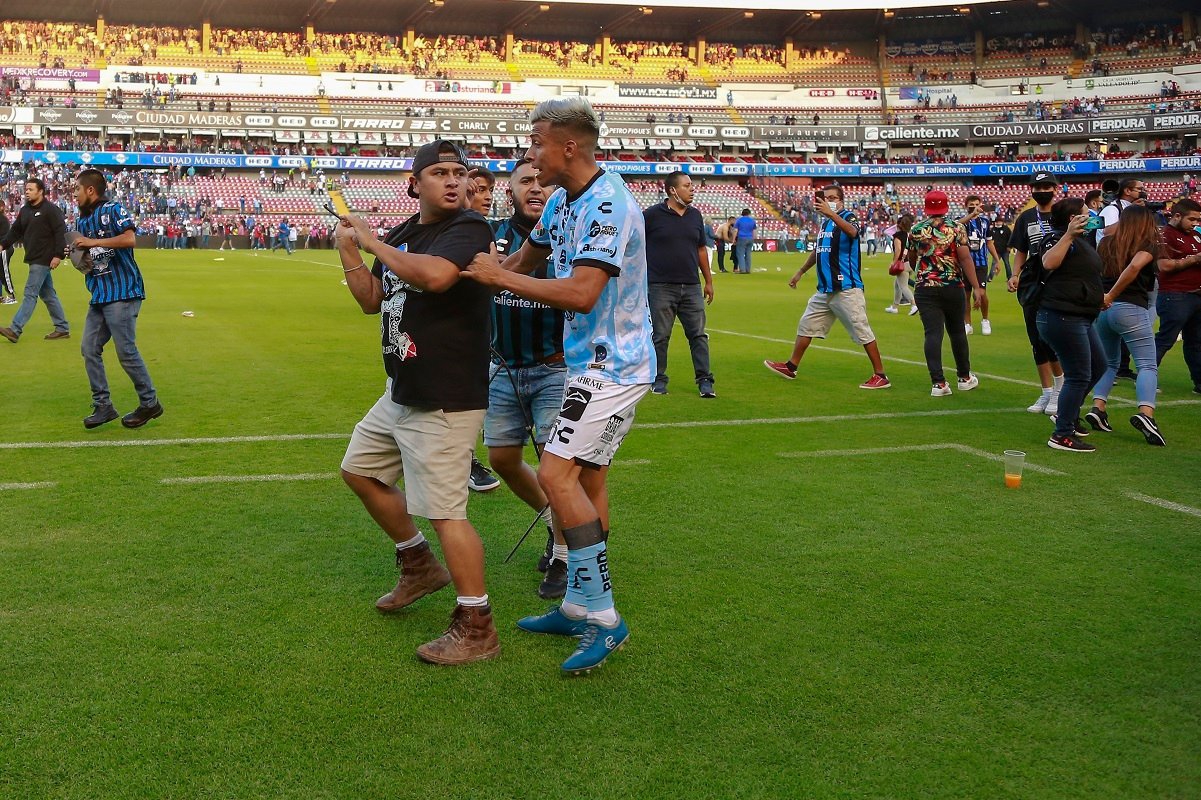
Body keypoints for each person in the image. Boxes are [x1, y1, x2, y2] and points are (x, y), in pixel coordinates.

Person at [463, 96, 655, 675]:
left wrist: (501, 278)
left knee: (553, 473)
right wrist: (478, 279)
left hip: (613, 366)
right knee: (587, 477)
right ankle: (577, 603)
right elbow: (527, 259)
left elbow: (581, 293)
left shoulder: (609, 204)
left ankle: (604, 618)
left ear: (568, 145)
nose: (529, 153)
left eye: (536, 141)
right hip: (585, 363)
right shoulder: (562, 203)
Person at [335, 139, 499, 666]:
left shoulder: (468, 229)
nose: (455, 181)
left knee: (447, 512)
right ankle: (419, 565)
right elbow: (370, 302)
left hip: (445, 395)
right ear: (415, 183)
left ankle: (477, 626)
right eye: (440, 173)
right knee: (360, 471)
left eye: (460, 173)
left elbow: (437, 277)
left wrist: (372, 241)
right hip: (403, 387)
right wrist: (349, 250)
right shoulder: (408, 232)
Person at [485, 161, 567, 599]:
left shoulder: (570, 234)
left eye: (545, 182)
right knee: (501, 459)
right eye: (526, 182)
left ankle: (565, 555)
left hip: (556, 367)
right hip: (502, 367)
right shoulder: (489, 234)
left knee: (558, 472)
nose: (537, 189)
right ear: (510, 190)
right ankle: (556, 525)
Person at [763, 185, 890, 390]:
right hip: (826, 288)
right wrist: (801, 271)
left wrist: (832, 213)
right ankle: (791, 366)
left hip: (846, 286)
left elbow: (853, 232)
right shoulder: (825, 224)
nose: (829, 200)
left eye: (833, 197)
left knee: (861, 330)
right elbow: (819, 251)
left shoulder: (848, 217)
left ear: (841, 200)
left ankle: (881, 375)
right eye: (826, 197)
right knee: (807, 324)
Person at [69, 169, 163, 430]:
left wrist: (91, 242)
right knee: (89, 349)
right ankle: (103, 406)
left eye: (77, 189)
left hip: (123, 292)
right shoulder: (82, 221)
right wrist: (77, 255)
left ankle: (149, 402)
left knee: (126, 352)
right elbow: (89, 259)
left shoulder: (112, 209)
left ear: (90, 190)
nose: (74, 194)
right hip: (99, 294)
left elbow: (129, 238)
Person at [1086, 205, 1165, 445]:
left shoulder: (1106, 242)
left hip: (1104, 311)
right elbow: (1133, 268)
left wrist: (1104, 297)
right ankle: (1146, 414)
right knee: (1147, 365)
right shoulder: (1149, 243)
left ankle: (1098, 407)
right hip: (1130, 307)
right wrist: (1112, 295)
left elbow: (1094, 273)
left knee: (1108, 363)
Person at [1035, 197, 1106, 452]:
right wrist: (1067, 235)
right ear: (1072, 219)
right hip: (1062, 316)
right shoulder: (1056, 238)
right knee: (1078, 374)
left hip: (1080, 315)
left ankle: (1068, 414)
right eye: (1086, 213)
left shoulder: (1082, 241)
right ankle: (1061, 433)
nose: (1091, 216)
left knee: (1098, 365)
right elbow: (1049, 263)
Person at [644, 171, 716, 397]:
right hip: (660, 286)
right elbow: (634, 244)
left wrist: (708, 281)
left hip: (692, 286)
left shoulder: (695, 215)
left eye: (692, 185)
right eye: (687, 185)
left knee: (698, 335)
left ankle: (705, 380)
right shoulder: (652, 215)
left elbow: (701, 249)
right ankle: (658, 379)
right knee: (660, 336)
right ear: (673, 190)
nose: (692, 189)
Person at [907, 190, 983, 396]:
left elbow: (911, 258)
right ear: (946, 206)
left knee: (932, 333)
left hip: (925, 287)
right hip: (952, 285)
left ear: (927, 207)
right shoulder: (956, 228)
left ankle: (938, 383)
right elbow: (966, 258)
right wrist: (976, 286)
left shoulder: (916, 230)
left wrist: (924, 273)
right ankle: (964, 377)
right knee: (957, 331)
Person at [1007, 172, 1065, 414]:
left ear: (1055, 188)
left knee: (1053, 338)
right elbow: (1021, 249)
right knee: (1036, 339)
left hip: (1059, 283)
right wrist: (1015, 275)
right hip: (1033, 283)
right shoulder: (1027, 217)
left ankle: (1061, 390)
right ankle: (1046, 392)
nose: (1041, 190)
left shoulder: (1064, 214)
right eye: (1037, 187)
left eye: (1046, 186)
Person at [0, 178, 71, 344]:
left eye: (31, 189)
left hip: (44, 258)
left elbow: (60, 232)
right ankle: (62, 328)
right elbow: (16, 231)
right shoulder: (25, 210)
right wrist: (3, 244)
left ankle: (15, 329)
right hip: (33, 257)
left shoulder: (51, 210)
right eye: (26, 189)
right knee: (48, 294)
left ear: (40, 191)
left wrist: (58, 255)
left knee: (30, 294)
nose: (27, 191)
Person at [1154, 198, 1201, 395]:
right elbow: (1164, 265)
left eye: (1198, 220)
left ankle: (1199, 382)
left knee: (1196, 341)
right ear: (1177, 216)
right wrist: (1194, 259)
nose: (1195, 224)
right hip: (1175, 295)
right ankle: (1147, 376)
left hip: (1196, 295)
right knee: (1166, 339)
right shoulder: (1165, 235)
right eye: (1192, 219)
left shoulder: (1196, 236)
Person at [960, 195, 1000, 335]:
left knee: (982, 293)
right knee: (966, 295)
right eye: (972, 204)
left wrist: (997, 260)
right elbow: (956, 225)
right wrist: (972, 214)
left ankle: (985, 320)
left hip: (981, 262)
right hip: (964, 263)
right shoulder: (963, 222)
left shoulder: (985, 222)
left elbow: (989, 242)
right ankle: (968, 324)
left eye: (977, 204)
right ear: (966, 206)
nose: (976, 206)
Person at [885, 213, 916, 315]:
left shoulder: (897, 236)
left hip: (902, 264)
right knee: (897, 285)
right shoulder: (908, 235)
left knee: (903, 286)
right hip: (909, 263)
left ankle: (913, 304)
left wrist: (893, 262)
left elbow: (898, 250)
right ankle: (894, 306)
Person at [0, 201, 16, 304]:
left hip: (4, 248)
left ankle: (11, 295)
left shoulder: (3, 219)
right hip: (4, 248)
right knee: (1, 272)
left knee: (4, 272)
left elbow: (5, 237)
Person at [733, 208, 756, 273]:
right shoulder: (752, 221)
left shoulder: (739, 220)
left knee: (740, 254)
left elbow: (735, 230)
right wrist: (753, 238)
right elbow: (754, 231)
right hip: (750, 238)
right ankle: (748, 269)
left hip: (742, 238)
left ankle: (742, 269)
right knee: (748, 254)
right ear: (749, 213)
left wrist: (733, 239)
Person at [990, 215, 1012, 280]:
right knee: (994, 264)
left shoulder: (1006, 229)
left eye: (1000, 221)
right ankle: (990, 277)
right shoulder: (993, 229)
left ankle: (1009, 277)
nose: (998, 223)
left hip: (1005, 250)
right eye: (997, 222)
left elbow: (1011, 237)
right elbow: (990, 239)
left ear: (1002, 222)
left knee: (1007, 264)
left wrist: (1009, 246)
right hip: (996, 250)